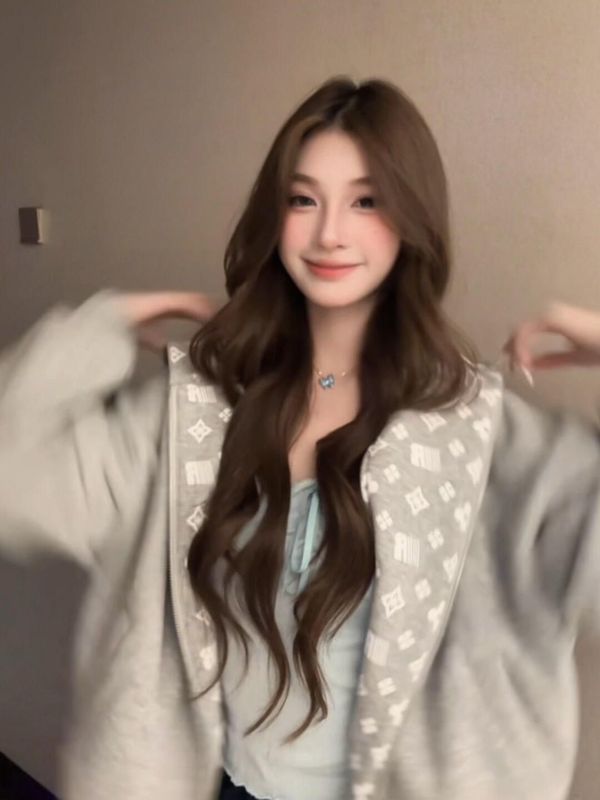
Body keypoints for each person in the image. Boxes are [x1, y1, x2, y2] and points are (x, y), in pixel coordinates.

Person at [0, 76, 599, 800]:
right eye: (303, 199)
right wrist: (95, 330)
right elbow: (15, 483)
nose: (330, 233)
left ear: (413, 218)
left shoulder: (490, 438)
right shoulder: (196, 409)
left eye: (366, 201)